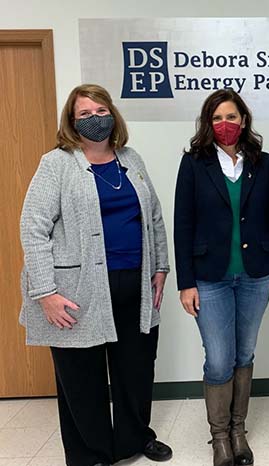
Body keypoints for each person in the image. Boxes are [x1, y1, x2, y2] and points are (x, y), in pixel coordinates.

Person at [19, 84, 172, 466]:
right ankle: (91, 453)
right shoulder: (56, 163)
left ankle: (134, 439)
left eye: (100, 110)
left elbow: (152, 216)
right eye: (84, 114)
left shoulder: (131, 159)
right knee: (81, 376)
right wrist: (45, 292)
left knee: (135, 370)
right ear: (72, 122)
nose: (94, 119)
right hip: (77, 290)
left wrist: (160, 268)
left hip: (133, 283)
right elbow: (33, 226)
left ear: (113, 115)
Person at [174, 89, 269, 466]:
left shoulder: (263, 162)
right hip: (210, 277)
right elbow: (183, 225)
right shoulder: (194, 164)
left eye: (232, 117)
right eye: (218, 118)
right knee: (220, 358)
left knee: (244, 353)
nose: (226, 124)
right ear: (209, 123)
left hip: (257, 275)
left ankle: (239, 430)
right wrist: (185, 282)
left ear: (244, 121)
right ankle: (219, 437)